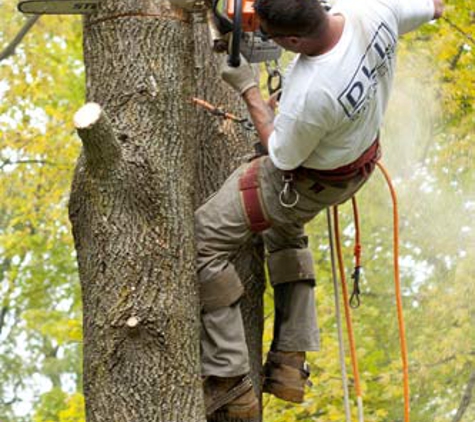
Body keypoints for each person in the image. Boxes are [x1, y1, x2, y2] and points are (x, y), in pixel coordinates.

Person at [196, 0, 444, 418]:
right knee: (283, 227)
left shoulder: (316, 92)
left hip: (304, 179)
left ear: (293, 40)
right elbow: (435, 6)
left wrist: (248, 88)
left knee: (203, 238)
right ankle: (290, 360)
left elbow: (281, 156)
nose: (269, 43)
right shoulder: (371, 9)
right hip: (353, 161)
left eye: (273, 38)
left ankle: (229, 379)